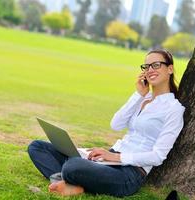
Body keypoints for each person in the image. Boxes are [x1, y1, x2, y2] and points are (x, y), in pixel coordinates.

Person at [27, 49, 185, 197]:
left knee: (72, 165)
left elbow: (157, 156)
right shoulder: (143, 98)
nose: (150, 70)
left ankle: (69, 179)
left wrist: (115, 157)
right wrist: (138, 95)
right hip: (108, 159)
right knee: (37, 147)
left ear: (169, 69)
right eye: (147, 66)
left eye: (156, 65)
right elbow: (116, 124)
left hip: (129, 173)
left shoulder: (174, 109)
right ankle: (70, 183)